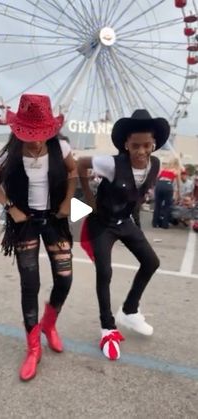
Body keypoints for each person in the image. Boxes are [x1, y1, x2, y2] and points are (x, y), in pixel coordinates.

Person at [0, 94, 77, 381]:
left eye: (41, 134)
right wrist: (11, 209)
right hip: (24, 222)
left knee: (65, 277)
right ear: (19, 131)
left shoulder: (60, 147)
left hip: (54, 219)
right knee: (30, 285)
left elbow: (74, 170)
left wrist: (67, 202)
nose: (36, 141)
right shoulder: (9, 152)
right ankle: (33, 347)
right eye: (30, 135)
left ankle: (49, 324)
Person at [78, 109, 170, 361]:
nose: (141, 151)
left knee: (152, 262)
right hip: (102, 223)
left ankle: (129, 310)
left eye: (147, 145)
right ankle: (107, 327)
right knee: (105, 272)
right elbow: (80, 164)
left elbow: (137, 194)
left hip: (125, 221)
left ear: (154, 144)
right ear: (126, 145)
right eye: (136, 146)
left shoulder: (156, 165)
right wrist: (88, 198)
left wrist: (136, 221)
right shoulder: (111, 163)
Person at [152, 158, 180, 229]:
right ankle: (165, 225)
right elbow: (178, 184)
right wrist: (178, 193)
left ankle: (155, 223)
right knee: (167, 206)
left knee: (157, 205)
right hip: (168, 186)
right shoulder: (176, 170)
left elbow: (156, 178)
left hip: (159, 185)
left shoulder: (163, 169)